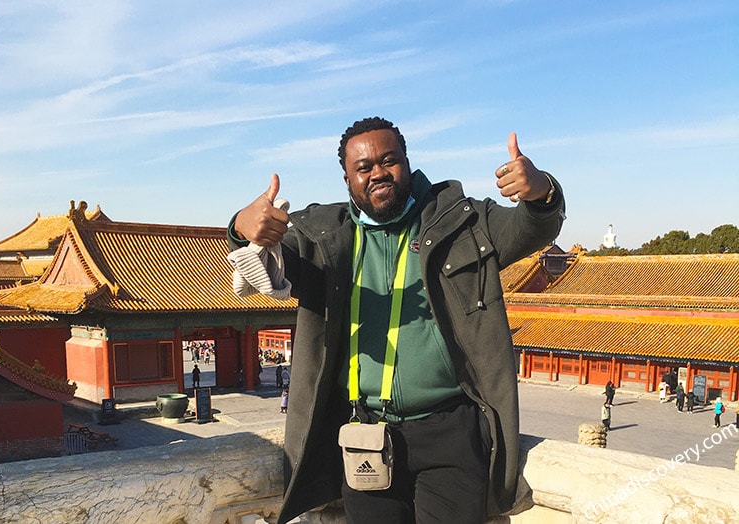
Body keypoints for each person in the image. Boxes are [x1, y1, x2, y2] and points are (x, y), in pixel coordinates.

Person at [228, 116, 565, 523]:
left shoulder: (461, 221)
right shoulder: (323, 236)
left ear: (406, 162)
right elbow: (267, 256)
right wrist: (240, 226)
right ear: (347, 178)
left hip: (450, 431)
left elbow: (530, 229)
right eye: (363, 167)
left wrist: (541, 192)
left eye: (389, 160)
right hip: (365, 431)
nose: (377, 174)